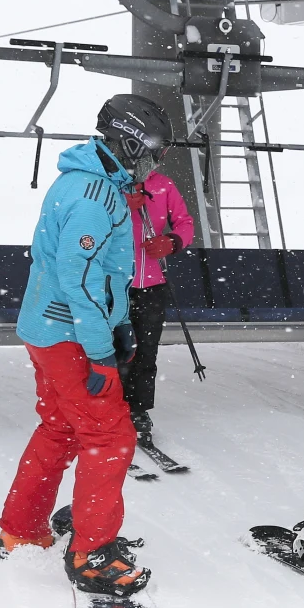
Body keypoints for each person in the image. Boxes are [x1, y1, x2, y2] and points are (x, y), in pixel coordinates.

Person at [0, 94, 172, 597]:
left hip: (52, 330)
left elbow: (90, 278)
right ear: (130, 142)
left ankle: (21, 528)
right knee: (110, 436)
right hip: (71, 334)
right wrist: (100, 348)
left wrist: (116, 325)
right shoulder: (97, 197)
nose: (156, 163)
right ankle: (92, 553)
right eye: (154, 151)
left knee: (60, 428)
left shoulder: (85, 182)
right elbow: (81, 281)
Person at [119, 169, 195, 439]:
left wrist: (171, 241)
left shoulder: (163, 184)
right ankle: (107, 409)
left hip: (152, 283)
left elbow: (185, 224)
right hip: (112, 282)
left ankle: (137, 408)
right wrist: (118, 204)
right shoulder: (106, 181)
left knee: (146, 351)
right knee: (109, 349)